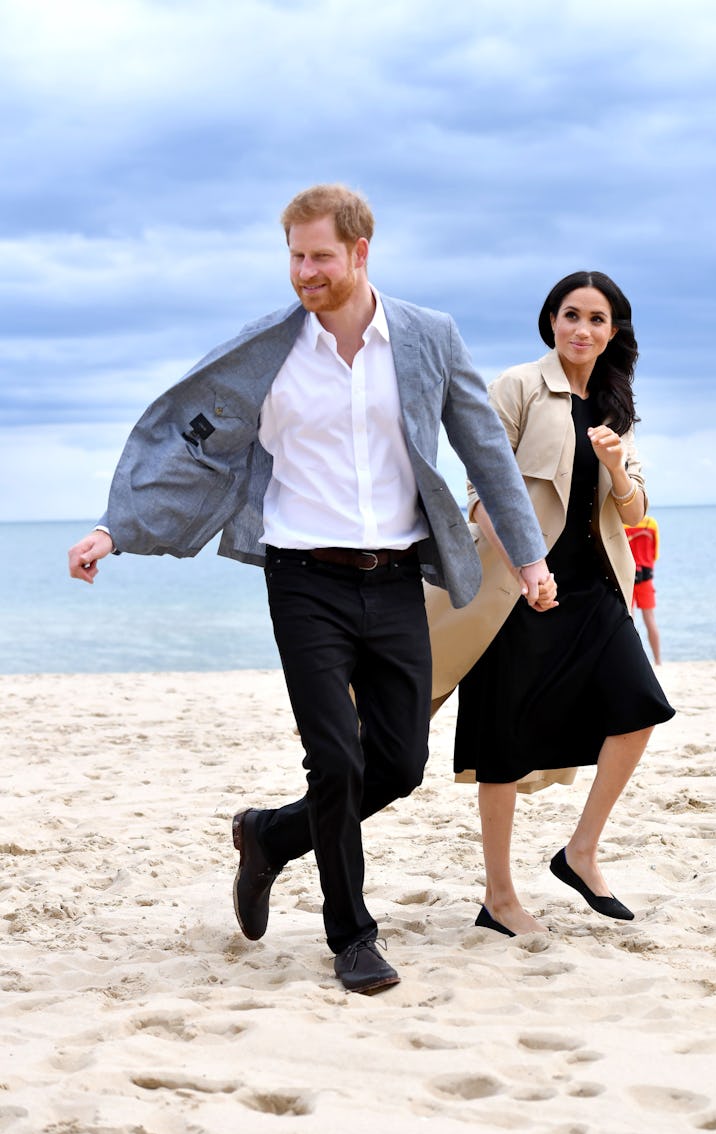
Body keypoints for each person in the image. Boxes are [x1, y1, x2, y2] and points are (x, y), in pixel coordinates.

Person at [68, 184, 555, 994]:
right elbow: (194, 457)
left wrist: (532, 561)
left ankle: (267, 837)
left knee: (396, 765)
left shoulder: (430, 338)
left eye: (320, 256)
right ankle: (352, 936)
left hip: (396, 577)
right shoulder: (270, 353)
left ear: (361, 253)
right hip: (303, 580)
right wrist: (115, 530)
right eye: (294, 256)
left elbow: (484, 452)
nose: (304, 272)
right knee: (335, 758)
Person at [428, 270, 675, 937]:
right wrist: (523, 567)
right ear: (551, 321)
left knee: (639, 710)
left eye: (597, 320)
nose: (582, 330)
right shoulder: (517, 387)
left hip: (595, 587)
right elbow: (481, 489)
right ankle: (499, 897)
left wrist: (618, 465)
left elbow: (636, 510)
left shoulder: (617, 401)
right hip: (516, 592)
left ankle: (580, 851)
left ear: (613, 331)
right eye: (571, 315)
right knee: (501, 746)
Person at [625, 515, 662, 664]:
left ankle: (634, 660)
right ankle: (658, 660)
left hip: (629, 576)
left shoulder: (624, 525)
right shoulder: (651, 523)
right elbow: (655, 554)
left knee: (630, 620)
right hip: (646, 576)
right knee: (650, 619)